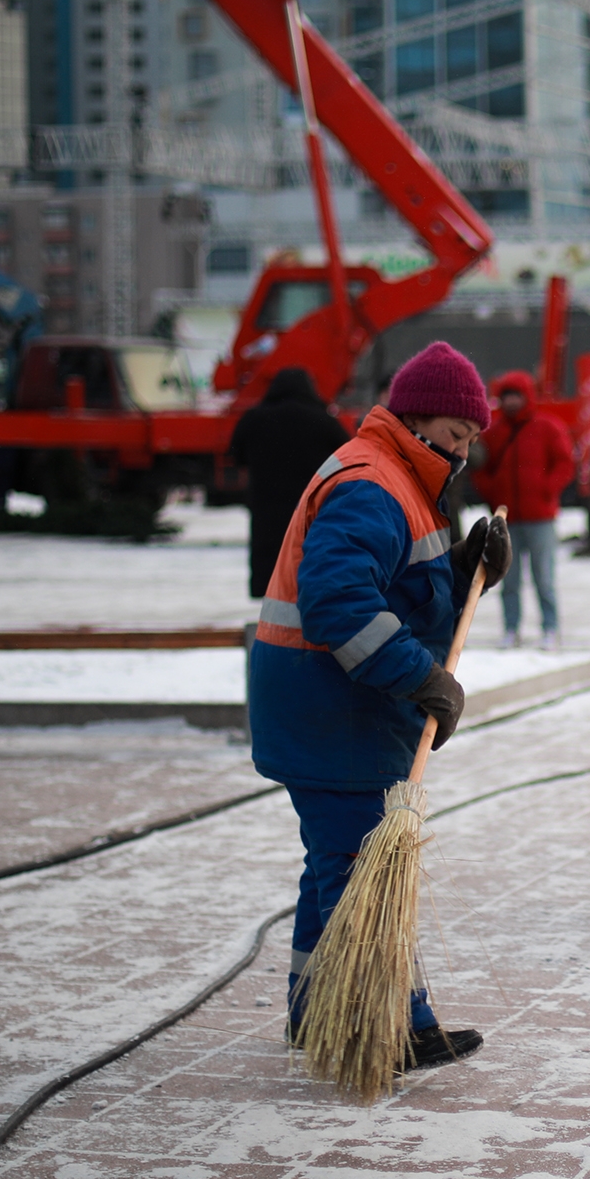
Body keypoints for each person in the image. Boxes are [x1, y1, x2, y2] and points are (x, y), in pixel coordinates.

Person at [249, 341, 509, 1069]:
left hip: (336, 711)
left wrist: (463, 572)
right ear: (419, 417)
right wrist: (418, 677)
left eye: (470, 443)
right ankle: (389, 1025)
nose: (462, 455)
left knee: (332, 862)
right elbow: (338, 605)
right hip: (332, 712)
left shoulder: (399, 477)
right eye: (457, 437)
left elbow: (403, 589)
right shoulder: (372, 481)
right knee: (363, 868)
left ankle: (316, 1012)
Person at [469, 369, 576, 650]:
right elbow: (480, 468)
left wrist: (547, 488)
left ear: (527, 396)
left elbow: (564, 463)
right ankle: (511, 628)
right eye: (507, 396)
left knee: (544, 578)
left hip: (540, 517)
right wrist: (491, 492)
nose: (511, 402)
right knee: (509, 579)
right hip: (507, 519)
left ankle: (550, 629)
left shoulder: (548, 427)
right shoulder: (493, 432)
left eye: (516, 396)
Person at [229, 367, 350, 599]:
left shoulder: (254, 419)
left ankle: (267, 597)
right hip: (309, 505)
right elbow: (345, 454)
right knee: (305, 554)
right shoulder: (321, 419)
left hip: (266, 504)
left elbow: (235, 454)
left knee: (269, 555)